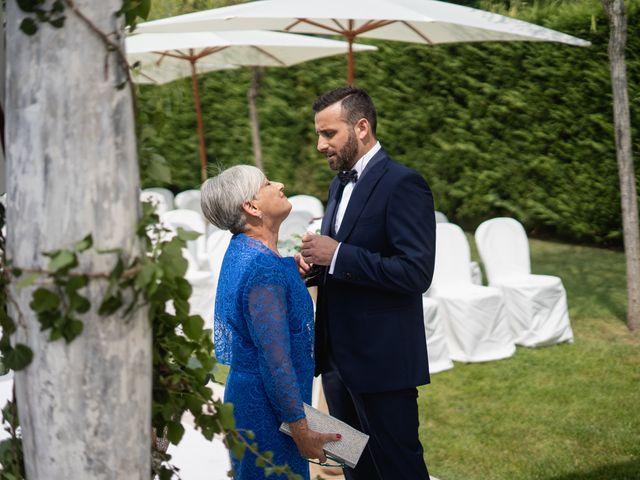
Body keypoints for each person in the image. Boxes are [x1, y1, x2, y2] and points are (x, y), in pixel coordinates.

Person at [297, 86, 436, 480]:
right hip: (337, 364)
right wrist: (315, 267)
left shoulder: (404, 184)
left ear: (361, 127)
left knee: (399, 468)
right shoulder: (338, 184)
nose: (320, 145)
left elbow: (415, 272)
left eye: (328, 134)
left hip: (384, 363)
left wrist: (337, 254)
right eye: (319, 135)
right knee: (355, 468)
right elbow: (344, 262)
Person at [201, 165, 339, 480]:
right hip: (269, 412)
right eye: (266, 183)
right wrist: (301, 430)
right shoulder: (264, 270)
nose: (280, 183)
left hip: (254, 399)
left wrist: (289, 272)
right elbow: (277, 362)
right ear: (251, 207)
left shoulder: (246, 250)